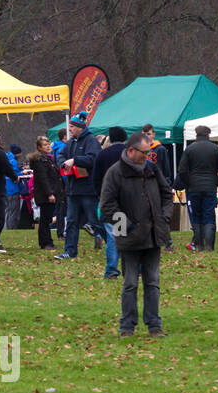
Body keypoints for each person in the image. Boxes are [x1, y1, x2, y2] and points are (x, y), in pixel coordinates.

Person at [100, 132, 172, 338]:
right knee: (130, 282)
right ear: (131, 150)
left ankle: (154, 325)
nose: (147, 156)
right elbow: (107, 206)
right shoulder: (115, 173)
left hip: (153, 235)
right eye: (144, 152)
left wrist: (164, 218)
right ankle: (127, 327)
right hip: (129, 237)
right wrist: (128, 226)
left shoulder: (151, 168)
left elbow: (166, 194)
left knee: (153, 282)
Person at [54, 112, 105, 262]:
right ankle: (70, 251)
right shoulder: (71, 142)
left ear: (80, 127)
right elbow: (60, 155)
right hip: (72, 190)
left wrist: (75, 160)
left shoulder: (91, 141)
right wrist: (64, 163)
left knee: (95, 221)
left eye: (72, 126)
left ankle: (116, 246)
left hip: (88, 190)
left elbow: (94, 159)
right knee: (71, 221)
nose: (69, 129)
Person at [177, 124, 218, 251]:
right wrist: (217, 182)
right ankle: (209, 246)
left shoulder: (189, 149)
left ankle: (199, 245)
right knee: (209, 215)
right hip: (210, 187)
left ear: (196, 135)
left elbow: (182, 170)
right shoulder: (216, 149)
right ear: (208, 135)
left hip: (193, 187)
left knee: (197, 216)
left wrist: (188, 183)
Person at [90, 127, 127, 279]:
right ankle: (130, 268)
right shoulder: (130, 153)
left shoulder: (102, 154)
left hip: (109, 199)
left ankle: (111, 269)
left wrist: (100, 195)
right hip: (127, 199)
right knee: (127, 234)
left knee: (112, 235)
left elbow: (96, 178)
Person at [28, 135, 64, 249]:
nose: (48, 146)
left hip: (51, 192)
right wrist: (50, 193)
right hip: (46, 194)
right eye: (45, 145)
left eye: (48, 144)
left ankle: (47, 240)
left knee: (47, 218)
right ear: (39, 147)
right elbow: (43, 179)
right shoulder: (40, 160)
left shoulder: (48, 158)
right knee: (45, 219)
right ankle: (45, 242)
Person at [3, 144, 25, 230]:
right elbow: (14, 174)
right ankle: (11, 228)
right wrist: (22, 173)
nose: (20, 155)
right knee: (13, 211)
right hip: (12, 189)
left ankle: (6, 228)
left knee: (7, 210)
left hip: (5, 189)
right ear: (17, 153)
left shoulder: (6, 158)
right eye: (20, 153)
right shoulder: (13, 161)